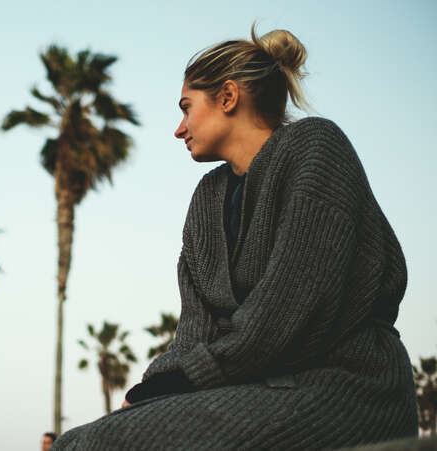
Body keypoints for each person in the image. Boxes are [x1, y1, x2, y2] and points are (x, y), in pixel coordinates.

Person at [52, 25, 418, 450]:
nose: (179, 128)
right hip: (253, 386)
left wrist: (177, 384)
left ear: (227, 97)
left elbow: (286, 315)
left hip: (346, 387)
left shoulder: (316, 149)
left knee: (102, 445)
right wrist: (148, 391)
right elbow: (194, 330)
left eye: (186, 108)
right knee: (75, 441)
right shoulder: (207, 199)